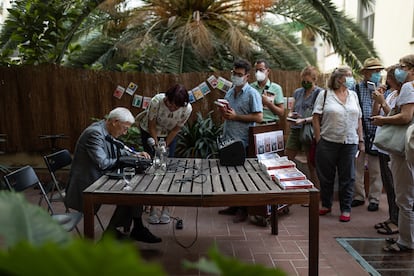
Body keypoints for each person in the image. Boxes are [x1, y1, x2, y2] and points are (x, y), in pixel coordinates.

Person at [65, 107, 162, 243]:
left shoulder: (106, 129)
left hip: (102, 177)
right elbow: (103, 163)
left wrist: (134, 155)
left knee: (133, 190)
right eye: (125, 128)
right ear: (115, 122)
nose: (125, 132)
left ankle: (131, 229)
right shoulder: (94, 133)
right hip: (88, 184)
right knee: (130, 193)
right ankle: (119, 232)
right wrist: (124, 160)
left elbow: (118, 148)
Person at [371, 54, 414, 252]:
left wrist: (384, 120)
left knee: (404, 197)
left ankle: (406, 241)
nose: (400, 70)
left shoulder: (408, 87)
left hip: (404, 149)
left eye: (403, 66)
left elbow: (405, 117)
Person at [313, 66, 363, 222]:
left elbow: (359, 118)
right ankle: (326, 204)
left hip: (350, 142)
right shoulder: (325, 94)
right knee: (326, 176)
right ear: (339, 78)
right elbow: (316, 117)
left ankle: (346, 208)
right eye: (348, 76)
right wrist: (318, 139)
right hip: (328, 141)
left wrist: (360, 140)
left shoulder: (353, 95)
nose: (351, 78)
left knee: (348, 176)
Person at [138, 84, 192, 224]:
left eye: (176, 107)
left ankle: (166, 208)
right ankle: (152, 209)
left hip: (169, 134)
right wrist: (156, 146)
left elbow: (175, 130)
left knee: (167, 169)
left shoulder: (187, 109)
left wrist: (164, 147)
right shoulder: (157, 101)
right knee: (152, 168)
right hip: (150, 132)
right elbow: (151, 125)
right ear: (166, 98)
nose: (172, 108)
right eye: (170, 104)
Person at [217, 59, 263, 223]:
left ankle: (244, 209)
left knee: (243, 176)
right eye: (234, 73)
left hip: (243, 141)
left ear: (247, 77)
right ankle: (234, 205)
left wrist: (236, 116)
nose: (236, 77)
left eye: (239, 75)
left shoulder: (252, 94)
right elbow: (229, 114)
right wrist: (225, 113)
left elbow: (258, 117)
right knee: (229, 174)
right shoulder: (230, 92)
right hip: (228, 138)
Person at [371, 65, 401, 235]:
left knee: (395, 185)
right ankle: (392, 217)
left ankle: (398, 222)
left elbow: (396, 118)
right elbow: (378, 112)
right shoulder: (391, 94)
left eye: (389, 77)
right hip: (383, 145)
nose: (386, 80)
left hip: (393, 146)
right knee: (388, 185)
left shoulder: (404, 96)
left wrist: (383, 102)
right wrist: (379, 100)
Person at [352, 57, 385, 212]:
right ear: (365, 73)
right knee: (357, 167)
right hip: (359, 132)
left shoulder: (385, 90)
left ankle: (374, 198)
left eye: (379, 71)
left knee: (375, 169)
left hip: (377, 133)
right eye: (374, 71)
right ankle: (359, 196)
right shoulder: (356, 88)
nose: (377, 74)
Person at [285, 65, 323, 188]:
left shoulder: (319, 93)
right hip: (296, 129)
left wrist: (304, 120)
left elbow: (320, 115)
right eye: (303, 81)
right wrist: (291, 116)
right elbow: (292, 109)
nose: (305, 83)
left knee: (312, 165)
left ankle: (315, 194)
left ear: (314, 80)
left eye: (308, 81)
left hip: (310, 130)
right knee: (287, 160)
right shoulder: (298, 92)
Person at [250, 59, 285, 124]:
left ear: (268, 71)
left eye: (261, 70)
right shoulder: (251, 87)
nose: (258, 73)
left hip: (271, 125)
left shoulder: (276, 88)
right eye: (256, 70)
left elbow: (281, 112)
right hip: (254, 125)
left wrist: (268, 103)